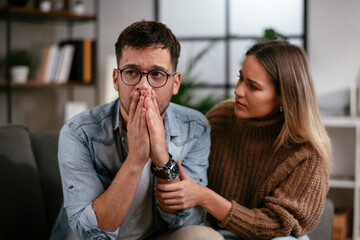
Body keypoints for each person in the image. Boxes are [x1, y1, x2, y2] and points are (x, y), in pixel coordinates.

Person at [53, 20, 223, 240]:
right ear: (116, 79)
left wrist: (162, 157)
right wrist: (136, 158)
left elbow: (185, 220)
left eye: (157, 74)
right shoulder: (78, 133)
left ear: (175, 83)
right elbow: (89, 231)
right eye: (132, 72)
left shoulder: (194, 127)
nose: (144, 86)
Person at [155, 40, 332, 240]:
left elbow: (278, 226)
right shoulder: (221, 118)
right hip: (214, 233)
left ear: (283, 96)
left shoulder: (307, 155)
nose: (238, 90)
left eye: (253, 86)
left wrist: (204, 196)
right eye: (241, 79)